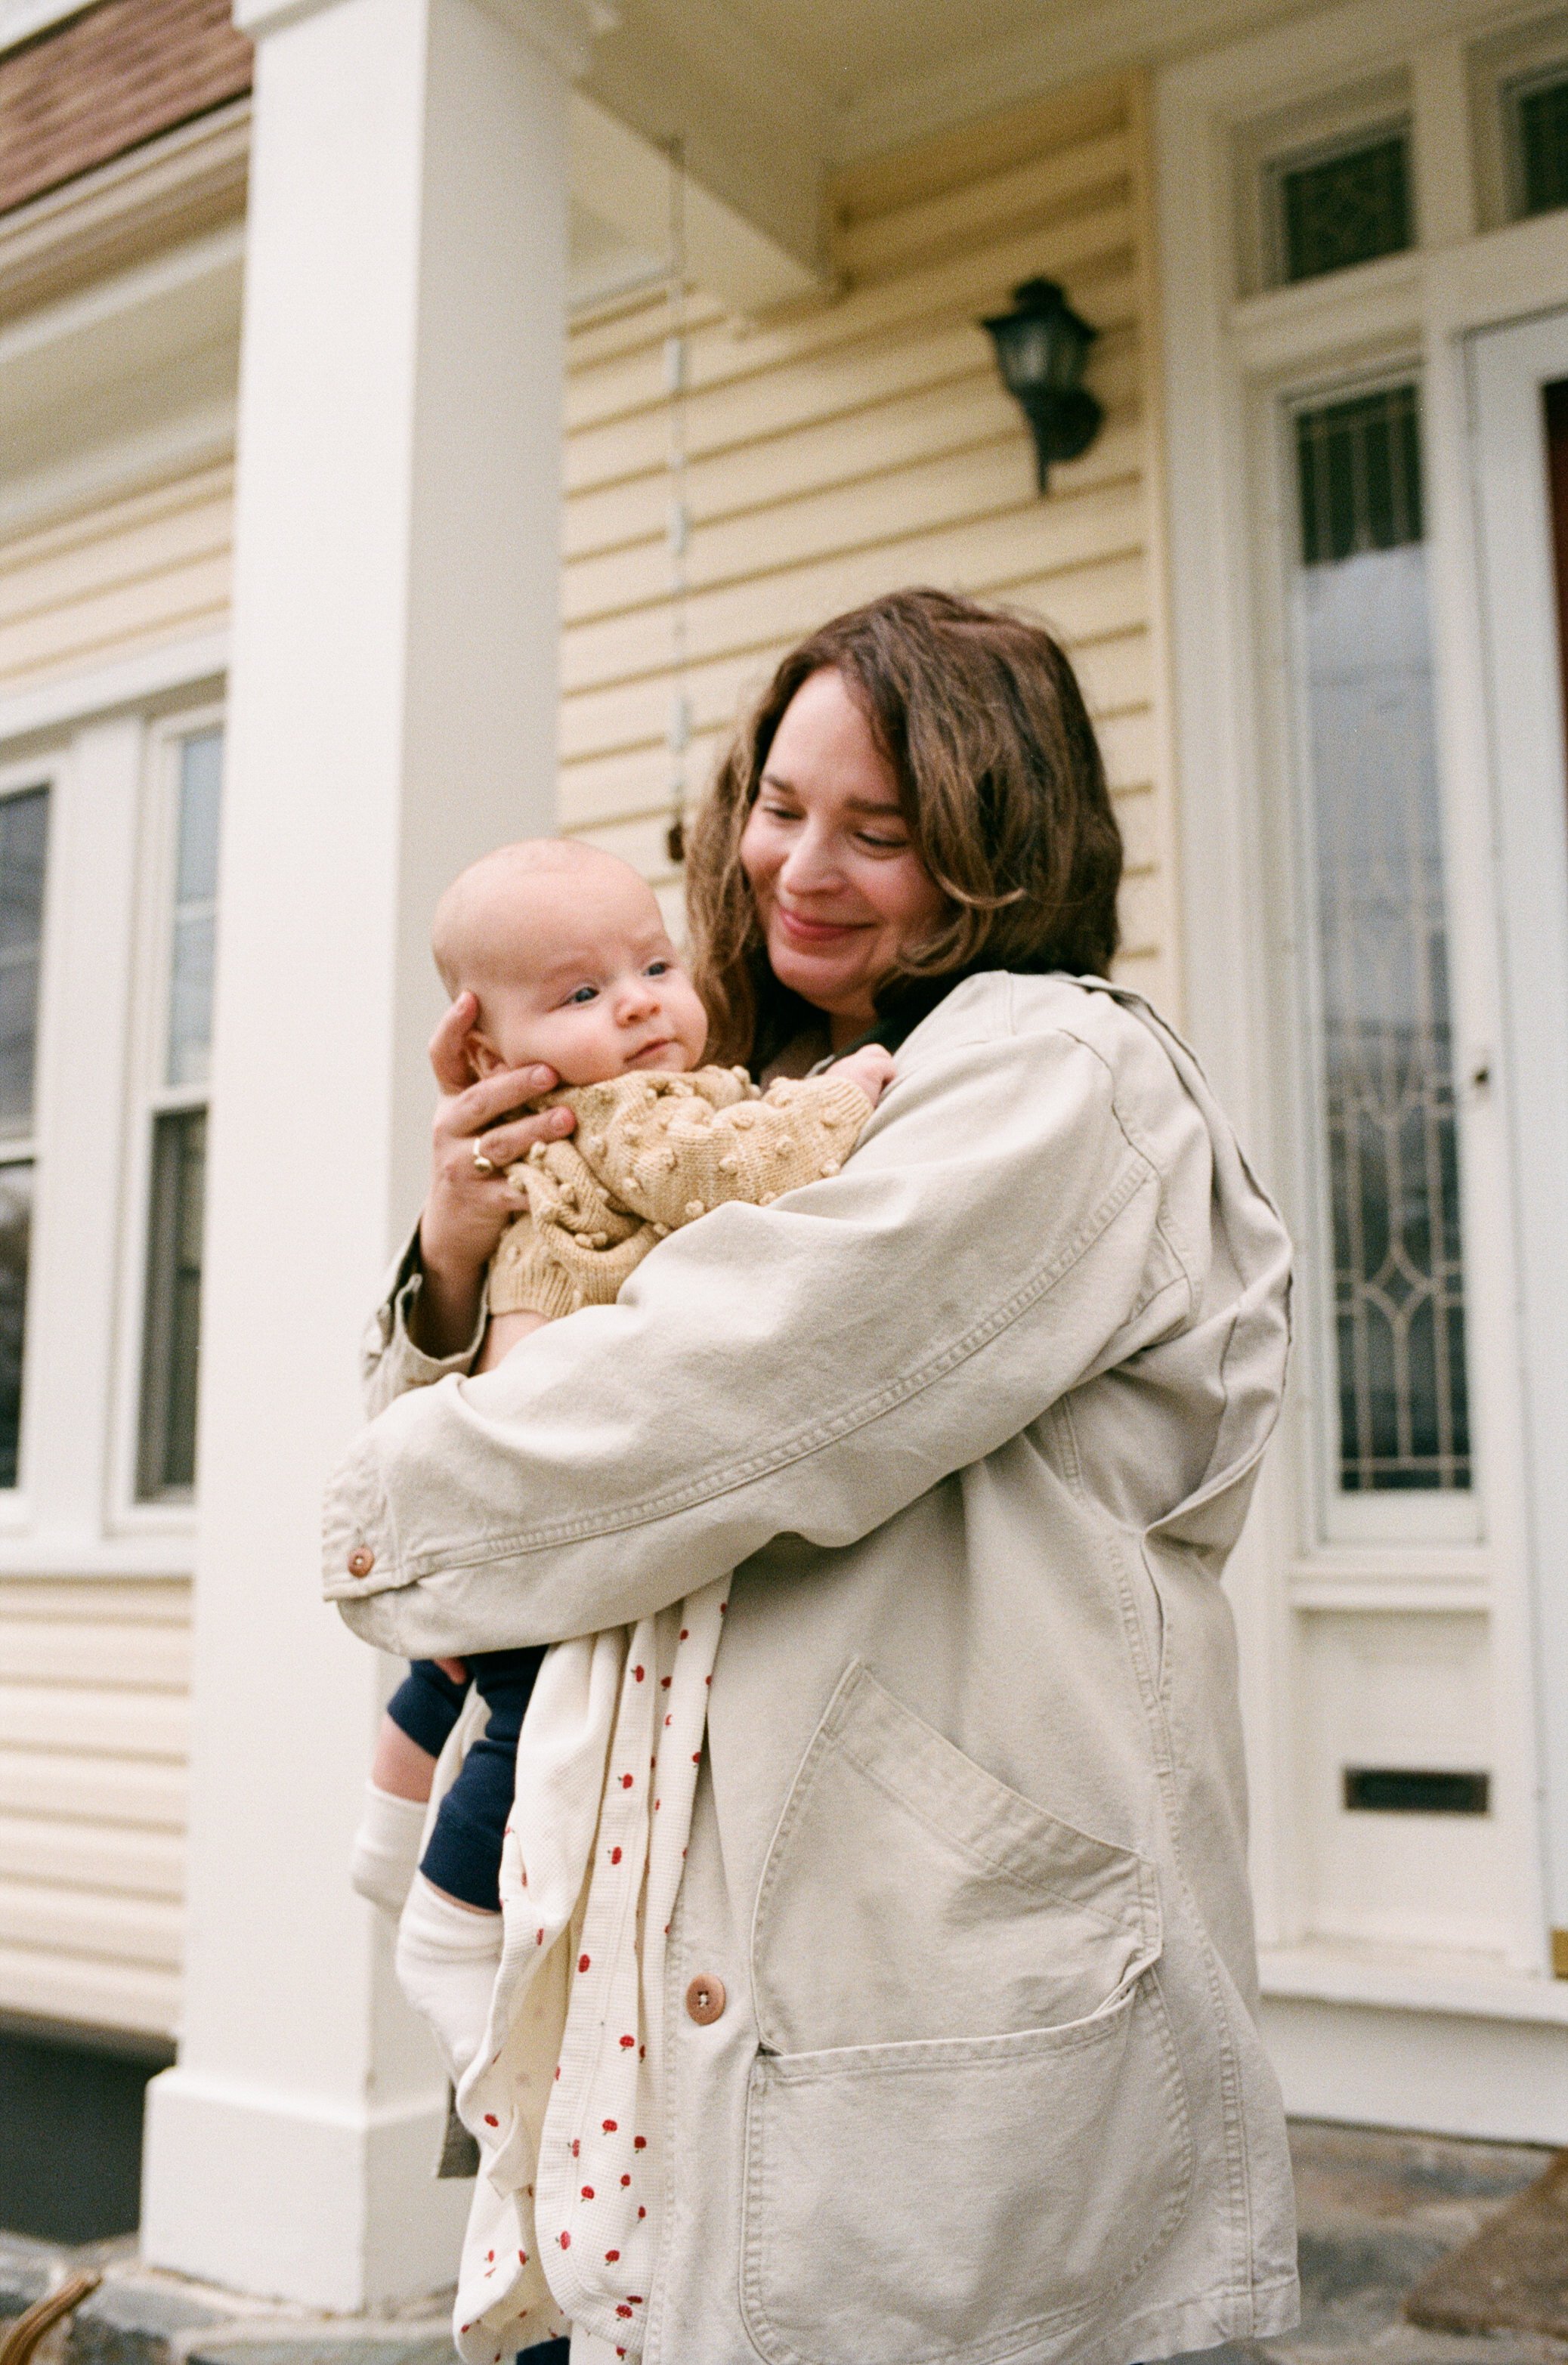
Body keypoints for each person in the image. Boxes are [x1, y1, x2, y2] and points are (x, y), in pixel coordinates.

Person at [326, 587, 1300, 2365]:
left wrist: (386, 1506)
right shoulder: (737, 1079)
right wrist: (464, 1257)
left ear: (1007, 842)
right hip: (661, 2017)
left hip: (928, 2009)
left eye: (885, 830)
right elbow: (581, 1409)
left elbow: (725, 1399)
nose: (803, 865)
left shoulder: (1055, 1074)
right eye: (781, 802)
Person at [347, 839, 892, 2089]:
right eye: (585, 994)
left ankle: (389, 1815)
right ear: (491, 1053)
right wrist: (850, 1091)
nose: (642, 1001)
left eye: (653, 964)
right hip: (551, 1452)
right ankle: (447, 1908)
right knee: (523, 1692)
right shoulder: (629, 1113)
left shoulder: (625, 1092)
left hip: (527, 1454)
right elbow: (734, 1165)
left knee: (459, 1660)